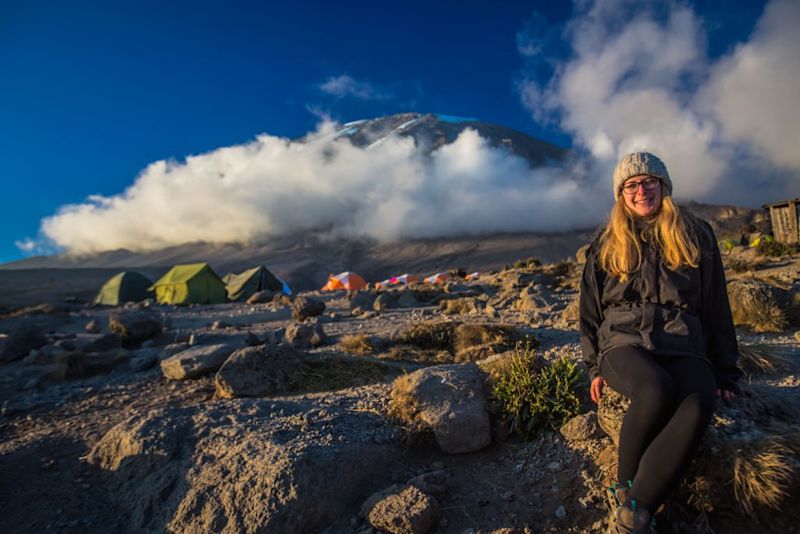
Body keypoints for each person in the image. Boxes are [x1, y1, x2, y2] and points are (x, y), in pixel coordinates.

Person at [579, 152, 742, 533]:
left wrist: (726, 372)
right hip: (624, 342)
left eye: (649, 181)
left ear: (664, 186)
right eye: (631, 185)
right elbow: (589, 311)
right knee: (654, 389)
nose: (641, 190)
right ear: (621, 194)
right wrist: (593, 366)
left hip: (684, 341)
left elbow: (717, 304)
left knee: (699, 401)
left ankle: (635, 511)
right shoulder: (605, 242)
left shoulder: (695, 232)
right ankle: (624, 489)